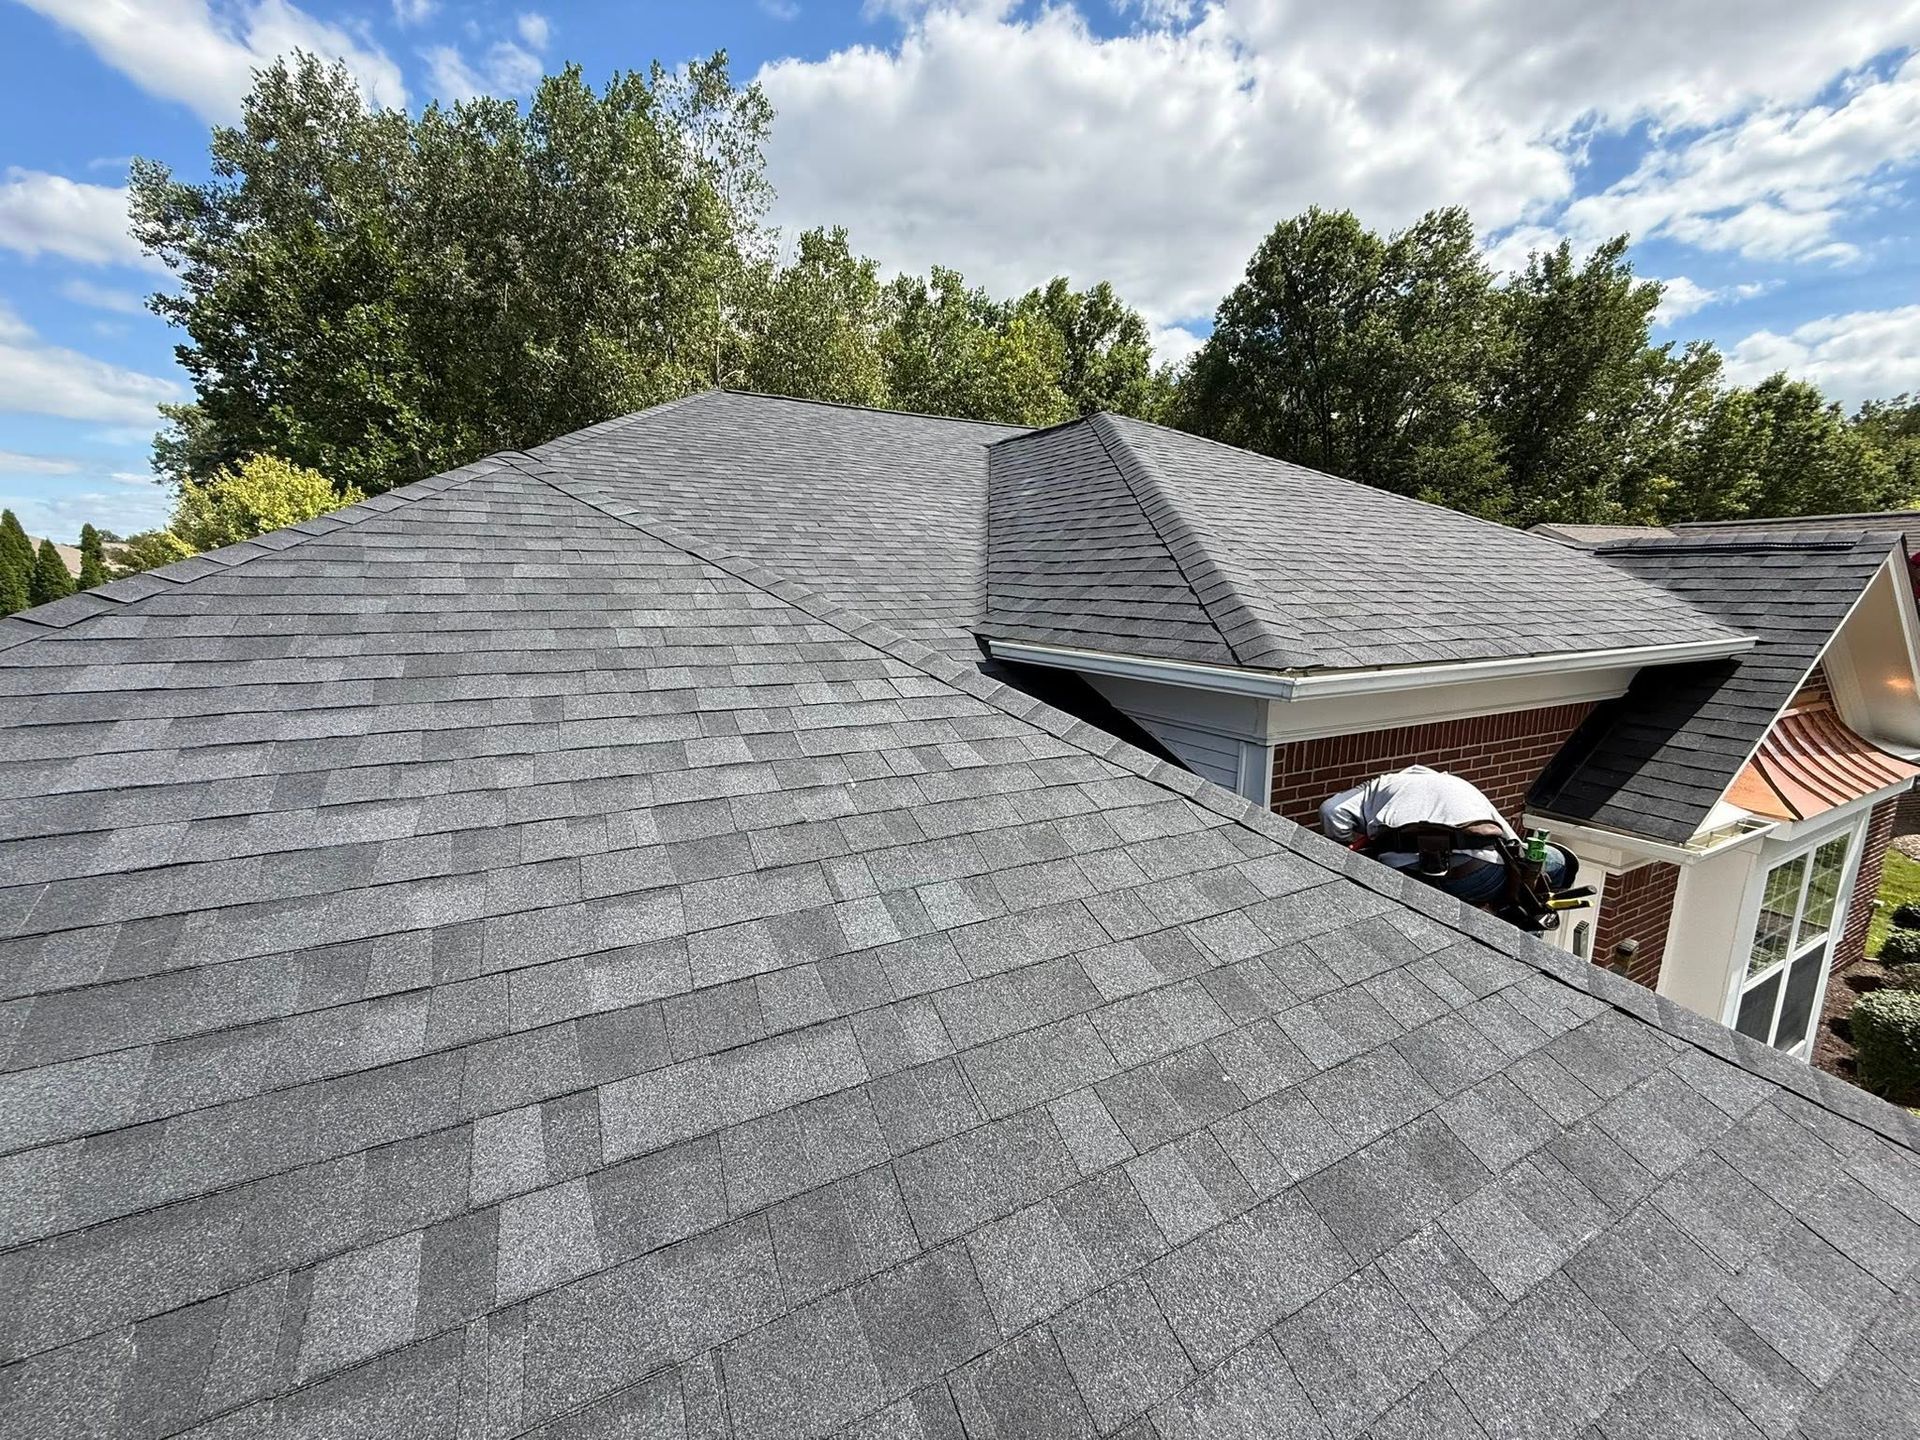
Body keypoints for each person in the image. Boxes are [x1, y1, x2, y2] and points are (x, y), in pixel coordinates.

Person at [1319, 765, 1573, 905]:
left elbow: (1331, 811)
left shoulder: (1380, 786)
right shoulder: (1457, 786)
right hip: (1475, 876)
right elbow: (1511, 845)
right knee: (1548, 868)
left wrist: (1352, 850)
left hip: (1405, 876)